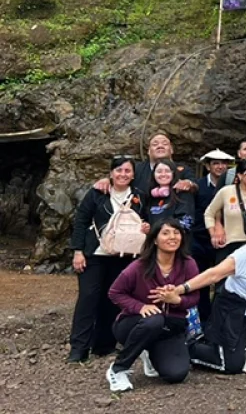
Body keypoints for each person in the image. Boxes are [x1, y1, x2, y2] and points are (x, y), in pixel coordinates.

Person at [165, 213, 246, 374]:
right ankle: (191, 347)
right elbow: (213, 274)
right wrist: (181, 289)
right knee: (232, 366)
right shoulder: (243, 255)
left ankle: (244, 345)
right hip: (232, 307)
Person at [69, 156, 149, 363]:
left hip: (125, 255)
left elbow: (148, 221)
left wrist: (146, 228)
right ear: (111, 173)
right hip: (95, 254)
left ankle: (104, 344)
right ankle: (78, 348)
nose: (123, 174)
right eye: (119, 170)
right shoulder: (98, 193)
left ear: (134, 174)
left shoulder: (139, 196)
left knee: (112, 300)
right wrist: (78, 250)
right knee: (88, 298)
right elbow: (81, 220)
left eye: (127, 171)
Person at [105, 218, 200, 391]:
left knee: (176, 374)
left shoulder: (188, 264)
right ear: (155, 239)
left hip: (170, 328)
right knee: (154, 320)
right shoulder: (139, 266)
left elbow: (194, 297)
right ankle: (118, 368)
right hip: (135, 324)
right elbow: (115, 292)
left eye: (176, 232)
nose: (172, 237)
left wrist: (177, 301)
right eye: (165, 233)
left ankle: (147, 351)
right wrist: (140, 307)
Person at [193, 149, 235, 319]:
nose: (220, 167)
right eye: (215, 163)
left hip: (226, 239)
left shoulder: (233, 186)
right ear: (208, 166)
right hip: (200, 240)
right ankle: (203, 318)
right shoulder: (198, 186)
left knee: (224, 281)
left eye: (223, 163)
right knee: (201, 279)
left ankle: (220, 318)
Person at [93, 133, 197, 196]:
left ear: (172, 150)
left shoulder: (183, 169)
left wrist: (188, 184)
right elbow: (122, 178)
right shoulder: (136, 169)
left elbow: (195, 185)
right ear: (148, 151)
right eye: (155, 144)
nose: (160, 146)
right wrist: (108, 181)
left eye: (165, 144)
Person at [142, 160, 196, 229]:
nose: (163, 174)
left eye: (167, 171)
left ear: (173, 173)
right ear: (154, 174)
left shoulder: (183, 194)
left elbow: (186, 223)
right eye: (159, 171)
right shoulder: (151, 196)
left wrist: (163, 230)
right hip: (154, 235)